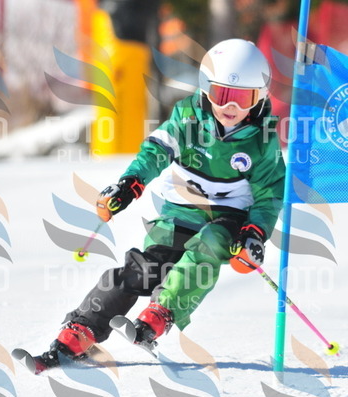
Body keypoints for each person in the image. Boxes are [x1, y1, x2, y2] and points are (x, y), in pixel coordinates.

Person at [37, 39, 286, 368]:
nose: (230, 106)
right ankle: (80, 330)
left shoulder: (262, 141)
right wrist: (130, 184)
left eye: (242, 98)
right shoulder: (187, 118)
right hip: (180, 213)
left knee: (208, 245)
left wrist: (254, 233)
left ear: (260, 97)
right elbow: (156, 152)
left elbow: (269, 195)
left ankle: (160, 313)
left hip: (228, 221)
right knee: (143, 269)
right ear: (205, 88)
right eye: (221, 94)